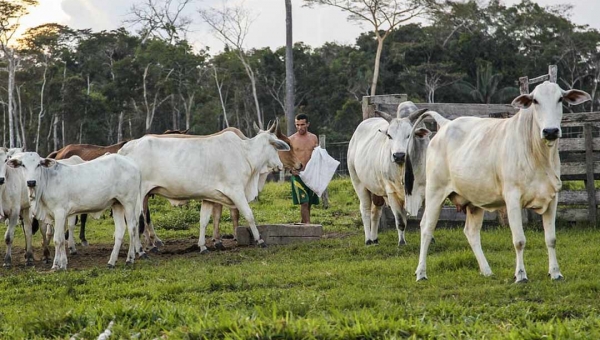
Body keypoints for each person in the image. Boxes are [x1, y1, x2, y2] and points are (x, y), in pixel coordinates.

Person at [289, 113, 319, 224]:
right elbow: (286, 157)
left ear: (308, 124)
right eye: (297, 125)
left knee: (309, 202)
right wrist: (290, 169)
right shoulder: (291, 139)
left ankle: (303, 223)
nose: (300, 127)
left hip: (311, 175)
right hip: (298, 175)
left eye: (302, 124)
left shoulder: (313, 138)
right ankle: (308, 227)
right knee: (304, 202)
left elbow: (318, 155)